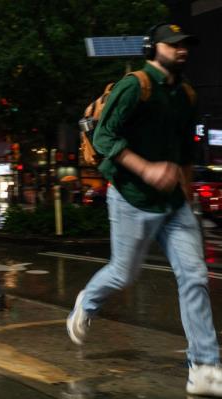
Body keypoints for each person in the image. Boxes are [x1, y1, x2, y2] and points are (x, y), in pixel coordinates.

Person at [67, 24, 222, 397]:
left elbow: (185, 150)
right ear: (154, 48)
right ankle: (86, 303)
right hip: (131, 196)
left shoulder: (185, 93)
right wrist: (147, 169)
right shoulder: (135, 85)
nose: (182, 50)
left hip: (173, 203)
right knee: (124, 273)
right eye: (174, 45)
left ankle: (203, 367)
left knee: (195, 276)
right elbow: (104, 137)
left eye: (186, 45)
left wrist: (188, 194)